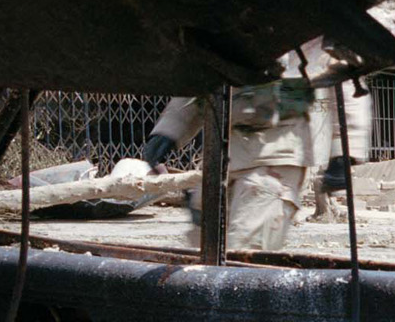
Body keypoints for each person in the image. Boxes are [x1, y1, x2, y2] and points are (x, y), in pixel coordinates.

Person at [129, 43, 344, 252]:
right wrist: (169, 129)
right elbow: (203, 70)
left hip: (277, 157)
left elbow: (345, 79)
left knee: (244, 253)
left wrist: (343, 153)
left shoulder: (305, 26)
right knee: (203, 249)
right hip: (225, 153)